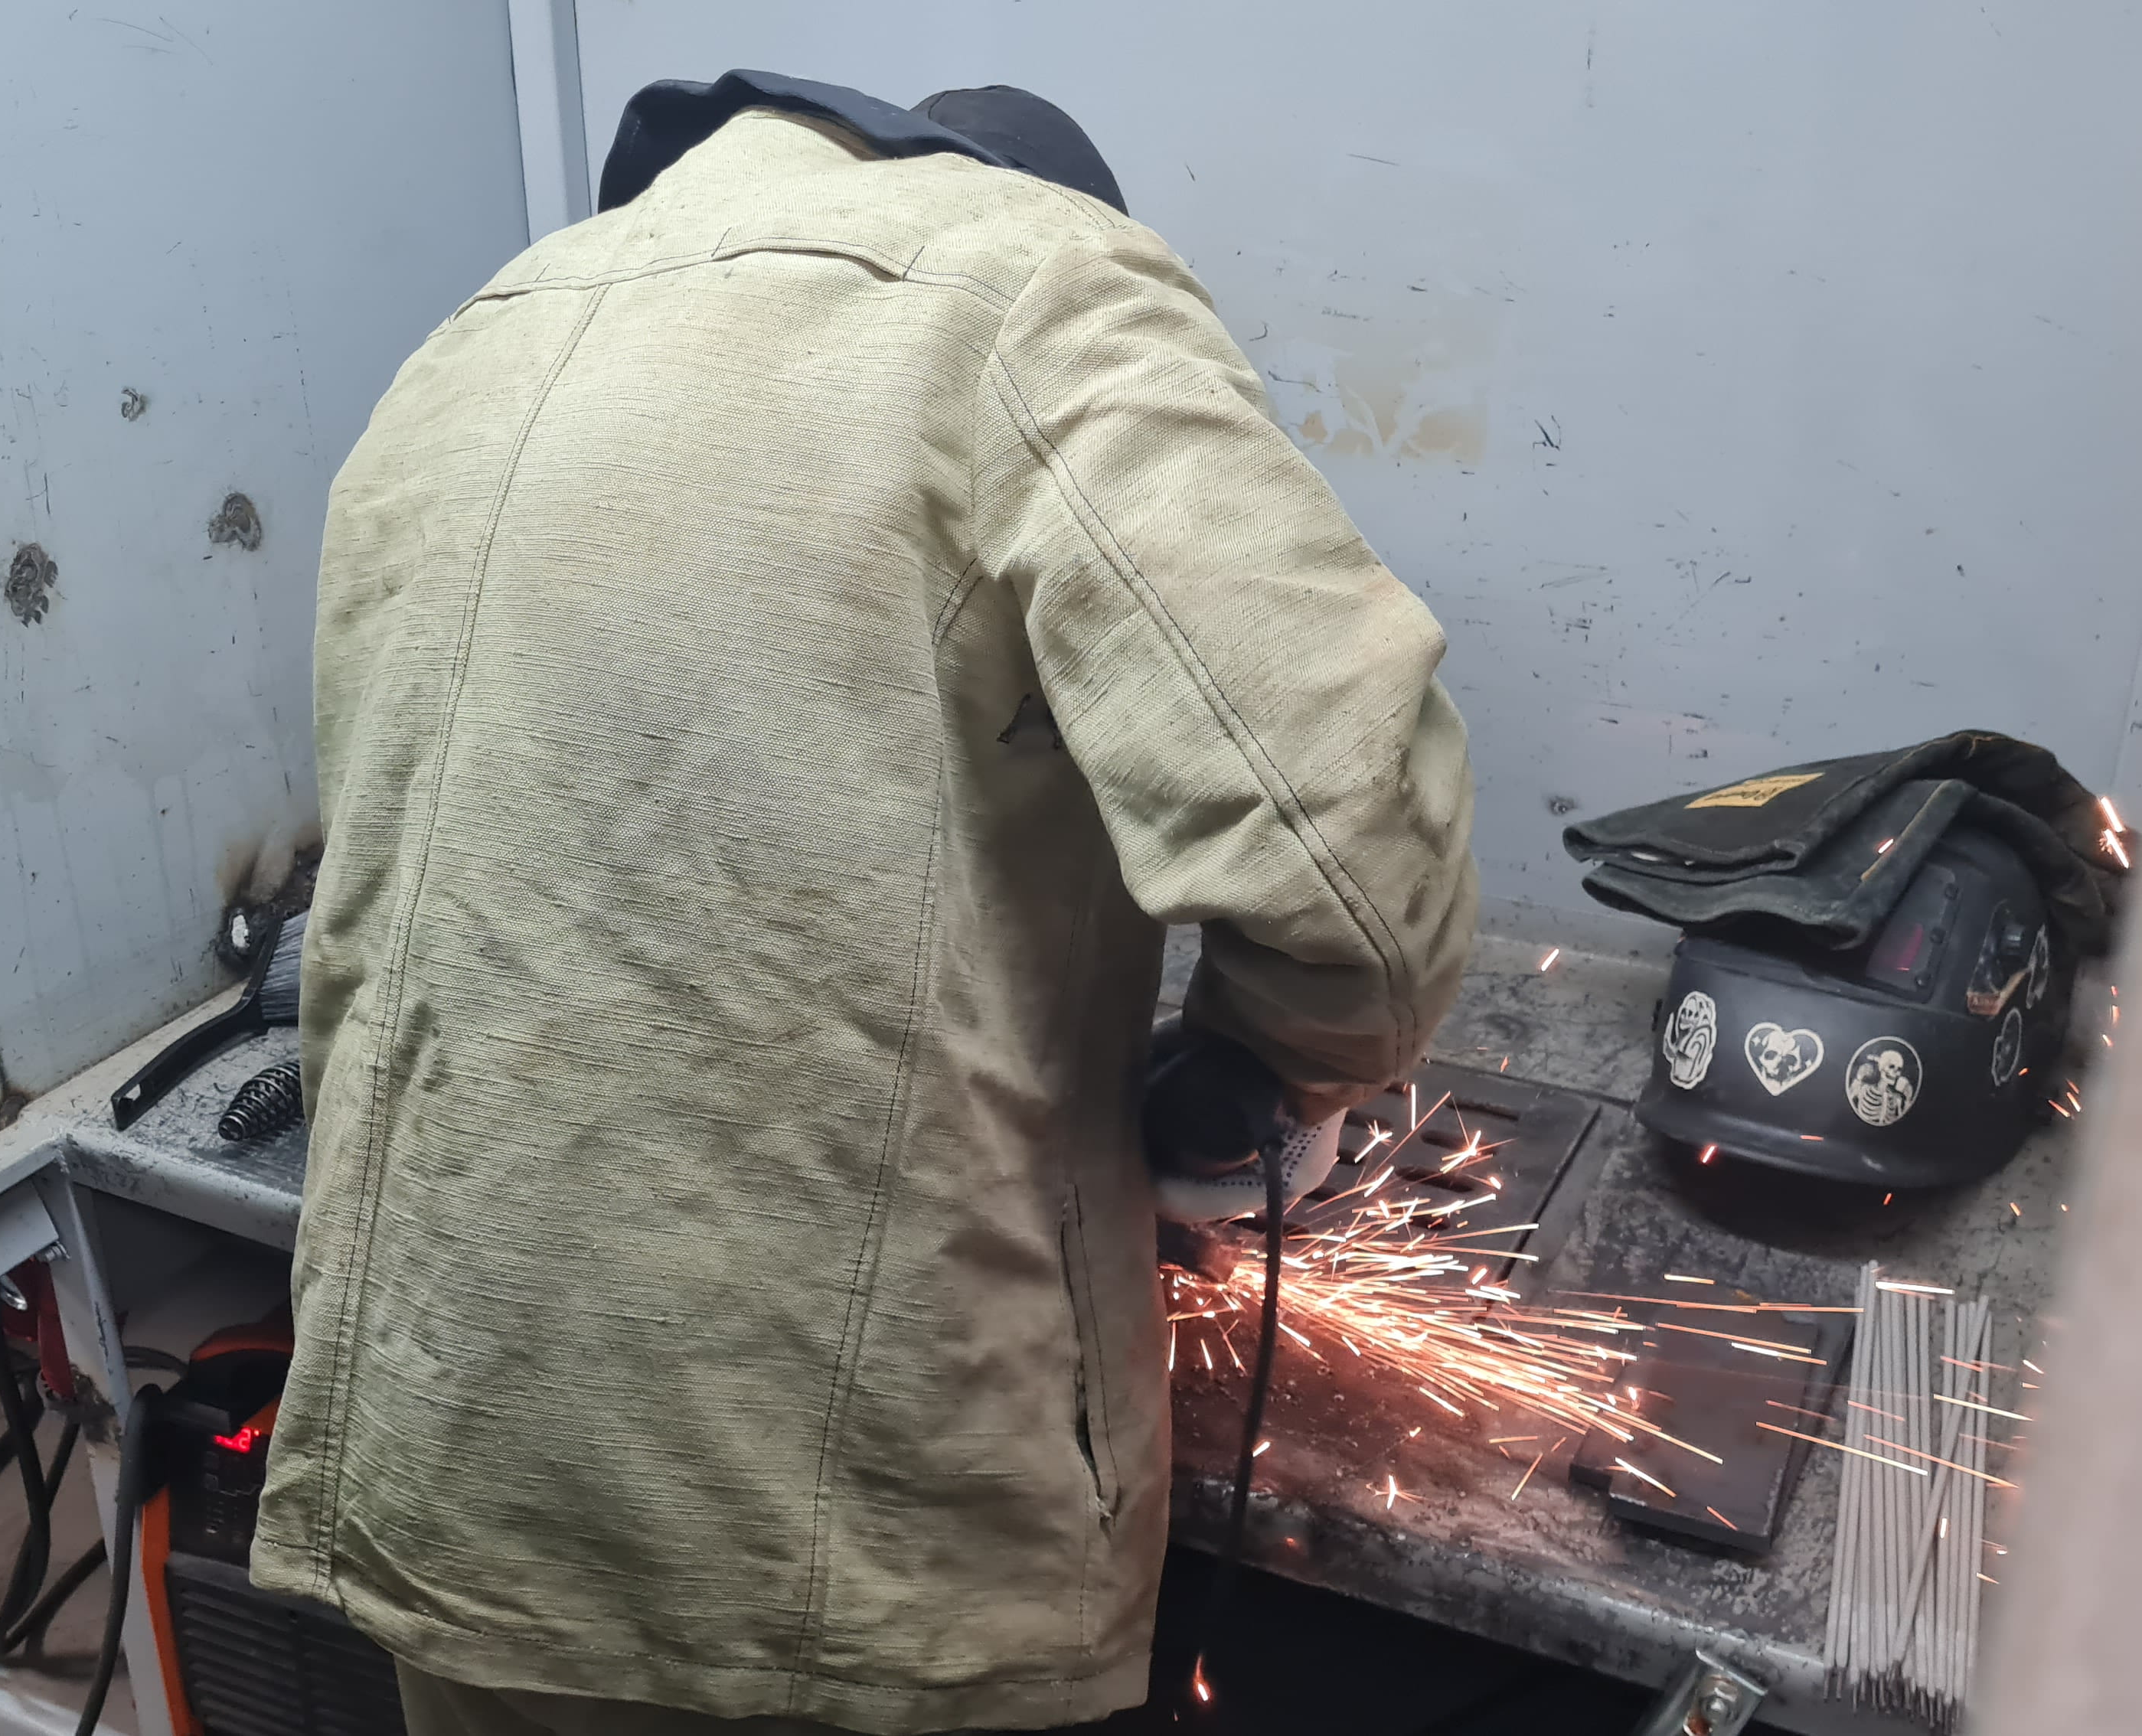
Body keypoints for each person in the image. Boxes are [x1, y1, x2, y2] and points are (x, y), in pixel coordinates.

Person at [249, 70, 1478, 1736]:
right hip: (840, 1535)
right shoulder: (1038, 288)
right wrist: (1272, 1066)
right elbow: (1355, 855)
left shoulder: (482, 331)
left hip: (443, 1452)